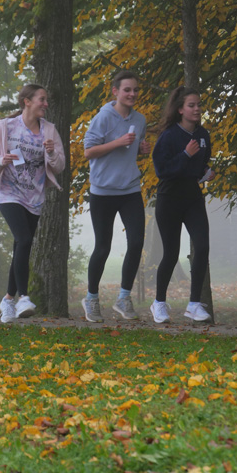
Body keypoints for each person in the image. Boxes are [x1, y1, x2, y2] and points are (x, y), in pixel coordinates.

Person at [0, 84, 65, 324]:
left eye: (46, 100)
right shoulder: (5, 127)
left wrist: (51, 153)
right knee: (24, 239)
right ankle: (24, 298)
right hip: (8, 193)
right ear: (26, 101)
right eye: (42, 99)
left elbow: (59, 166)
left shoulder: (49, 130)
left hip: (34, 197)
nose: (46, 104)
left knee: (22, 245)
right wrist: (1, 159)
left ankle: (8, 300)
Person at [83, 70, 150, 322]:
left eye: (135, 90)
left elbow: (132, 148)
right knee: (103, 247)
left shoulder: (140, 119)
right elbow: (89, 152)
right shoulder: (103, 118)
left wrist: (141, 149)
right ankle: (91, 299)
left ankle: (123, 297)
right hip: (103, 191)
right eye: (127, 90)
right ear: (115, 92)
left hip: (130, 189)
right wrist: (118, 142)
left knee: (136, 243)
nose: (132, 94)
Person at [150, 87, 214, 324]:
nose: (197, 109)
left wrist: (206, 172)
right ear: (180, 110)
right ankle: (158, 303)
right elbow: (162, 170)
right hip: (169, 198)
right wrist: (185, 155)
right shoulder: (169, 136)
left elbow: (201, 164)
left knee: (202, 247)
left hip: (193, 198)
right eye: (191, 105)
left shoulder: (203, 135)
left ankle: (194, 305)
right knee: (171, 253)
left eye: (199, 105)